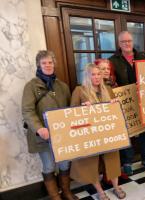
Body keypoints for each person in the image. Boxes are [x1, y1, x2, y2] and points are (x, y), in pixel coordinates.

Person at [22, 50, 78, 200]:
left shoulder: (63, 86)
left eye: (50, 62)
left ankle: (66, 192)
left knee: (65, 165)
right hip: (43, 136)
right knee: (49, 166)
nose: (47, 65)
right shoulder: (31, 86)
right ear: (38, 65)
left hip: (62, 135)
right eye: (44, 63)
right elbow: (27, 111)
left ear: (54, 64)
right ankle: (55, 196)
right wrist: (39, 128)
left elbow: (70, 108)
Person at [70, 63, 126, 199]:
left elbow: (118, 110)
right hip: (90, 135)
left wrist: (116, 105)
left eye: (98, 74)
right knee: (91, 163)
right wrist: (82, 108)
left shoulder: (107, 89)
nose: (96, 77)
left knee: (113, 158)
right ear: (87, 76)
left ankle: (116, 186)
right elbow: (71, 113)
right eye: (93, 74)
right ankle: (100, 191)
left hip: (108, 132)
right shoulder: (80, 90)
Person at [109, 31, 145, 175]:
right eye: (123, 42)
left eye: (129, 41)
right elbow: (109, 81)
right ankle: (127, 162)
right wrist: (112, 86)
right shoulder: (113, 60)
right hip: (125, 103)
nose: (127, 44)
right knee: (127, 133)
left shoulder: (142, 57)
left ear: (132, 41)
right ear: (119, 44)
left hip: (142, 101)